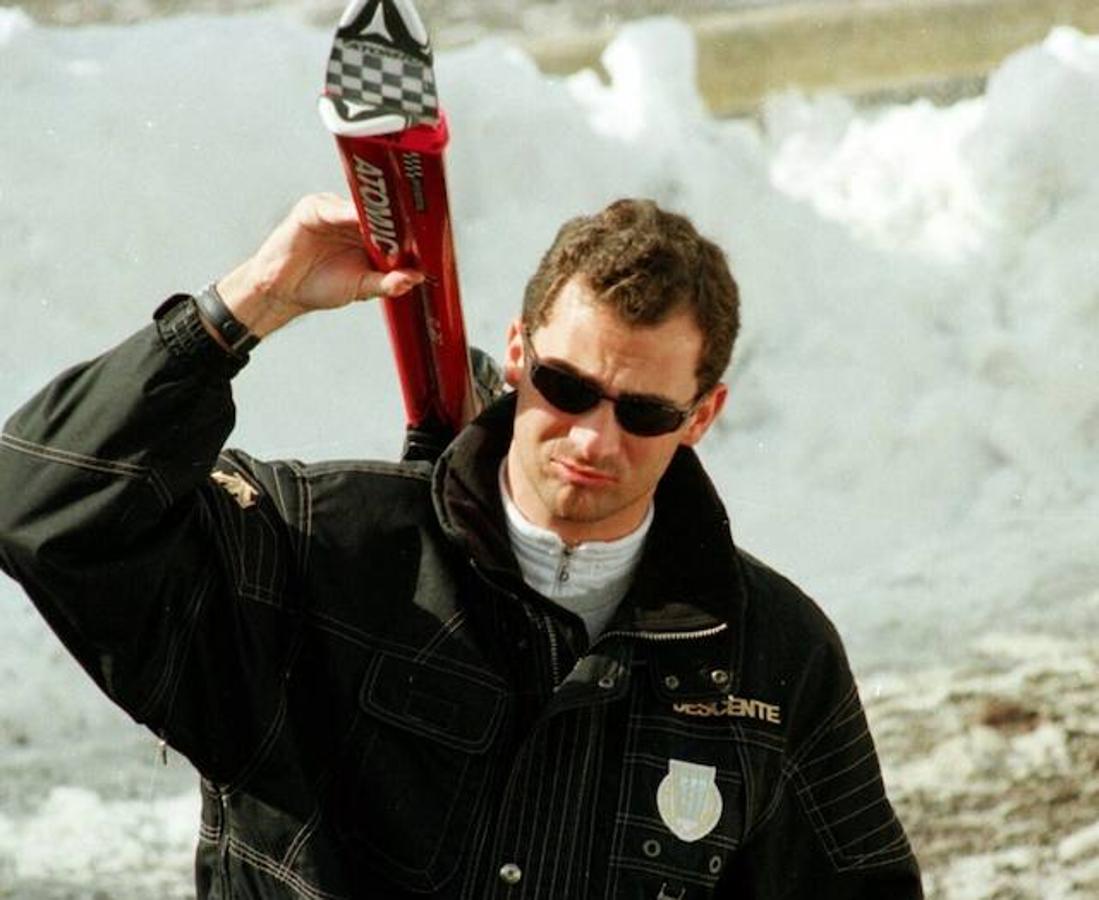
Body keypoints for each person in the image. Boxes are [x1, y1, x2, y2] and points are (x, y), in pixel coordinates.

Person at [0, 193, 922, 898]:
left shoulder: (769, 658)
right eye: (565, 386)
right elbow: (42, 502)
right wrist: (248, 303)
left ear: (703, 415)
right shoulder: (316, 553)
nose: (593, 439)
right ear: (517, 353)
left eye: (642, 411)